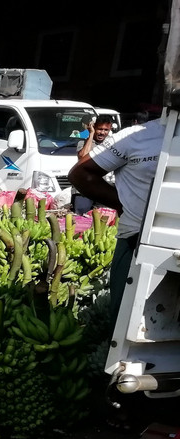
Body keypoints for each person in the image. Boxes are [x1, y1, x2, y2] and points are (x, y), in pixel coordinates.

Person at [69, 114, 166, 330]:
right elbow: (81, 173)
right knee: (128, 326)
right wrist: (122, 203)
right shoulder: (135, 137)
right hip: (136, 241)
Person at [73, 114, 115, 214]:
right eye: (99, 129)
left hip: (103, 190)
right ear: (94, 127)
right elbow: (83, 157)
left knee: (103, 220)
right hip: (83, 191)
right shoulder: (83, 143)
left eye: (106, 130)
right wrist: (91, 134)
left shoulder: (111, 145)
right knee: (81, 219)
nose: (102, 133)